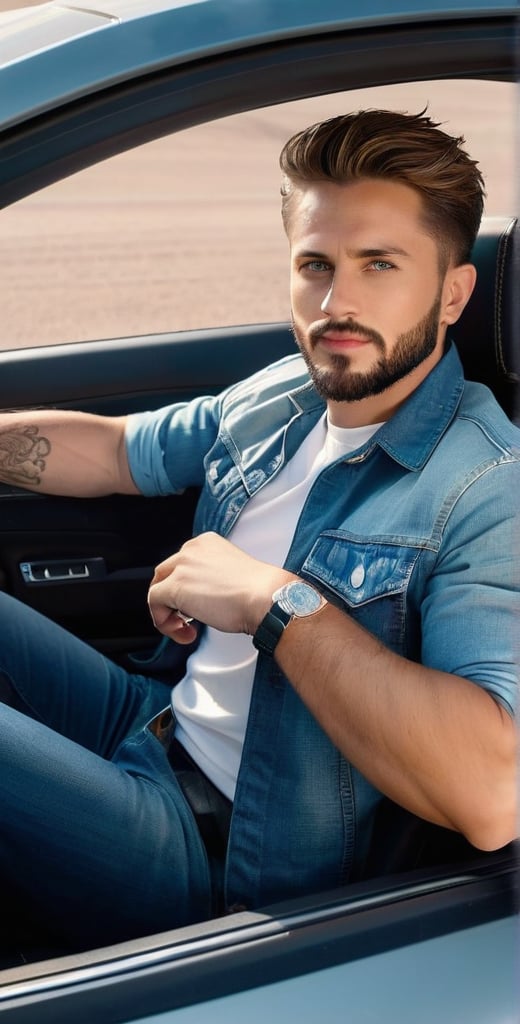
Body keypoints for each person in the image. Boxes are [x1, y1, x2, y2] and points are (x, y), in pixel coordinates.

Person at [0, 109, 518, 955]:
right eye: (315, 264)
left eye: (378, 265)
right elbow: (118, 453)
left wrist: (271, 602)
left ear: (453, 292)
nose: (336, 302)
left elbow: (492, 792)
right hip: (154, 719)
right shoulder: (282, 396)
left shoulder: (488, 485)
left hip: (219, 855)